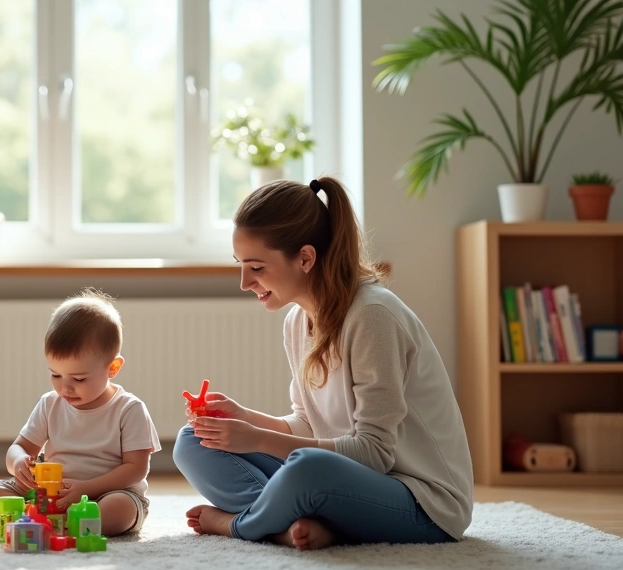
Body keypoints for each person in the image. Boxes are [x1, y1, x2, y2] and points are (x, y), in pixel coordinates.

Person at [173, 177, 473, 550]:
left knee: (307, 468)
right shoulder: (297, 321)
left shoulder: (373, 315)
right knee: (193, 441)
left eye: (257, 267)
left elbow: (375, 454)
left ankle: (241, 525)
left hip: (421, 502)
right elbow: (308, 423)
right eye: (241, 266)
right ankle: (289, 524)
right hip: (344, 483)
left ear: (305, 258)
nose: (244, 282)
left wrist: (258, 438)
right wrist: (244, 418)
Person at [0, 289, 162, 536]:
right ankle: (50, 521)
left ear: (113, 368)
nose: (65, 388)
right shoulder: (50, 404)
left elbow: (136, 469)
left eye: (78, 378)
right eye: (56, 375)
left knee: (120, 509)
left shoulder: (129, 409)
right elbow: (19, 447)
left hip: (107, 493)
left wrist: (86, 488)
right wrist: (19, 462)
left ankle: (50, 522)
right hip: (49, 493)